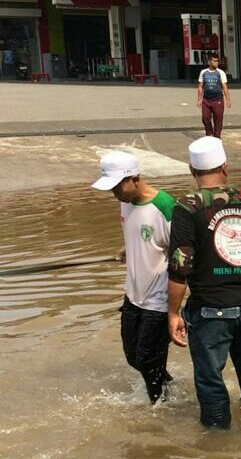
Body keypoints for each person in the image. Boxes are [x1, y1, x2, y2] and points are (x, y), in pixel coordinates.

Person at [167, 136, 241, 429]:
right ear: (225, 167)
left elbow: (182, 263)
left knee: (210, 377)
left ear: (192, 170)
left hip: (211, 308)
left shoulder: (187, 207)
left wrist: (173, 313)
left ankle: (218, 440)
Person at [91, 151, 175, 405]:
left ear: (135, 178)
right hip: (133, 294)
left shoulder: (165, 207)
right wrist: (129, 249)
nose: (114, 193)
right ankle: (169, 386)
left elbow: (182, 253)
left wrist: (176, 307)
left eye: (117, 186)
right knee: (132, 356)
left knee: (146, 359)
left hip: (158, 299)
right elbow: (141, 236)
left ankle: (160, 409)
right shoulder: (125, 202)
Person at [196, 53, 231, 138]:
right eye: (214, 61)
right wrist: (199, 99)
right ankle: (209, 133)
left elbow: (224, 87)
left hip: (217, 100)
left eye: (217, 61)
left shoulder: (221, 73)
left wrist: (228, 100)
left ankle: (217, 137)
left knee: (218, 120)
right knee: (205, 118)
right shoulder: (203, 72)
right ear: (209, 62)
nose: (216, 63)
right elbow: (200, 86)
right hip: (206, 100)